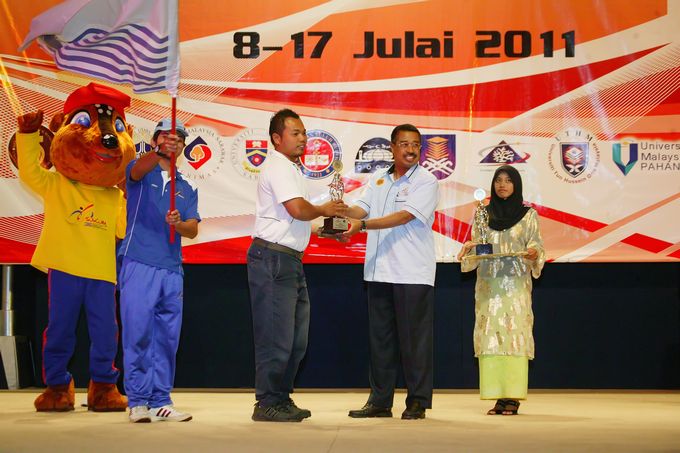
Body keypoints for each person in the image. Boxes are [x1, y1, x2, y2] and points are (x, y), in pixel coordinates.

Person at [248, 108, 347, 422]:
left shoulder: (292, 169)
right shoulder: (278, 166)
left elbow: (296, 220)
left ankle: (281, 397)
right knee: (275, 337)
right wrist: (325, 209)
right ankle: (266, 403)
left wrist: (328, 230)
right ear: (277, 139)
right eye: (296, 133)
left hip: (288, 259)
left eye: (304, 132)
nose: (303, 138)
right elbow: (298, 209)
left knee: (294, 339)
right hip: (273, 259)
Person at [342, 124, 439, 420]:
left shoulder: (426, 181)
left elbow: (405, 216)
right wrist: (338, 211)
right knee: (380, 341)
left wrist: (362, 225)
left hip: (411, 273)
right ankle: (380, 401)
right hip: (378, 271)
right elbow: (360, 208)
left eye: (416, 145)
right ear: (392, 148)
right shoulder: (379, 179)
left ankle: (417, 401)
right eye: (404, 144)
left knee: (414, 342)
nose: (411, 150)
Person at [118, 118, 200, 423]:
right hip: (139, 262)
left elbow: (192, 229)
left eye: (178, 139)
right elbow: (136, 170)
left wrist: (178, 223)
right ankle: (138, 401)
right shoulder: (141, 172)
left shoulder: (187, 186)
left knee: (167, 338)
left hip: (172, 269)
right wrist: (158, 151)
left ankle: (160, 400)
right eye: (166, 137)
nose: (173, 142)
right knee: (138, 332)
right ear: (155, 141)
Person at [457, 165, 545, 416]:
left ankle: (513, 396)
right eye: (498, 180)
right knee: (490, 336)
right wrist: (468, 249)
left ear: (516, 185)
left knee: (514, 334)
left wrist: (534, 253)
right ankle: (497, 395)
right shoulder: (482, 214)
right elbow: (479, 246)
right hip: (489, 286)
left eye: (508, 180)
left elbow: (537, 245)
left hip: (515, 285)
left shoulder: (529, 215)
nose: (502, 185)